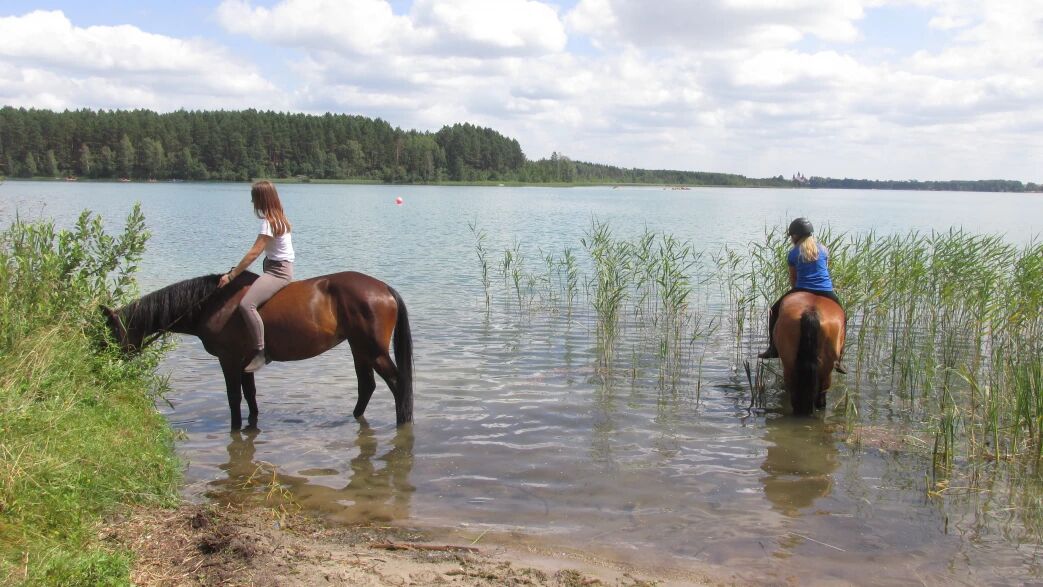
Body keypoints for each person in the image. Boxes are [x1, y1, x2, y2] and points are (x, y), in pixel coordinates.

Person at [218, 180, 295, 373]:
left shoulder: (269, 223)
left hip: (277, 271)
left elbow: (254, 253)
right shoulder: (280, 218)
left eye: (254, 198)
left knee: (247, 304)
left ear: (262, 199)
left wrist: (232, 275)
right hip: (279, 267)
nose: (252, 202)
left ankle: (261, 351)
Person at [758, 217, 846, 373]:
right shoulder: (824, 249)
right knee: (843, 317)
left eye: (792, 236)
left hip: (802, 289)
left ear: (796, 236)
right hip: (826, 290)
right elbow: (824, 269)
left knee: (773, 311)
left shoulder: (793, 253)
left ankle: (773, 348)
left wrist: (796, 292)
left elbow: (793, 278)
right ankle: (839, 359)